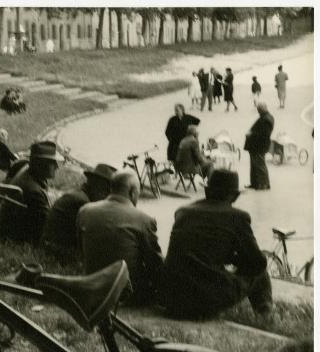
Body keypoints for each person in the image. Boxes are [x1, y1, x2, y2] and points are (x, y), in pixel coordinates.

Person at [162, 169, 272, 319]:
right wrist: (235, 259)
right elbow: (258, 262)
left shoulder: (183, 212)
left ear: (207, 191)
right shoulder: (238, 217)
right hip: (205, 298)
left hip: (173, 297)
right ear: (234, 196)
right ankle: (265, 317)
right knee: (260, 274)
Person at [77, 171, 164, 304]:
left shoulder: (85, 211)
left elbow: (80, 249)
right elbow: (154, 262)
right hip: (126, 293)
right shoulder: (143, 219)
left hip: (92, 285)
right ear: (133, 192)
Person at [41, 163, 117, 260]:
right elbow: (88, 239)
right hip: (55, 251)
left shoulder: (79, 195)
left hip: (52, 246)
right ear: (98, 187)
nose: (107, 198)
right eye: (106, 191)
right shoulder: (82, 203)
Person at [0, 141, 62, 245]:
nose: (57, 166)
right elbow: (48, 224)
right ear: (41, 164)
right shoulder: (33, 190)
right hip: (10, 237)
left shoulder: (28, 171)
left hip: (5, 230)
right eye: (53, 163)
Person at [244, 102, 274, 190]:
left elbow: (264, 134)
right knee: (254, 165)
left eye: (259, 109)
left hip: (259, 146)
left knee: (260, 164)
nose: (258, 111)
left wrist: (251, 135)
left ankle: (264, 184)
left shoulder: (266, 119)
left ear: (261, 109)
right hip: (256, 145)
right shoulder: (267, 117)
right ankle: (255, 183)